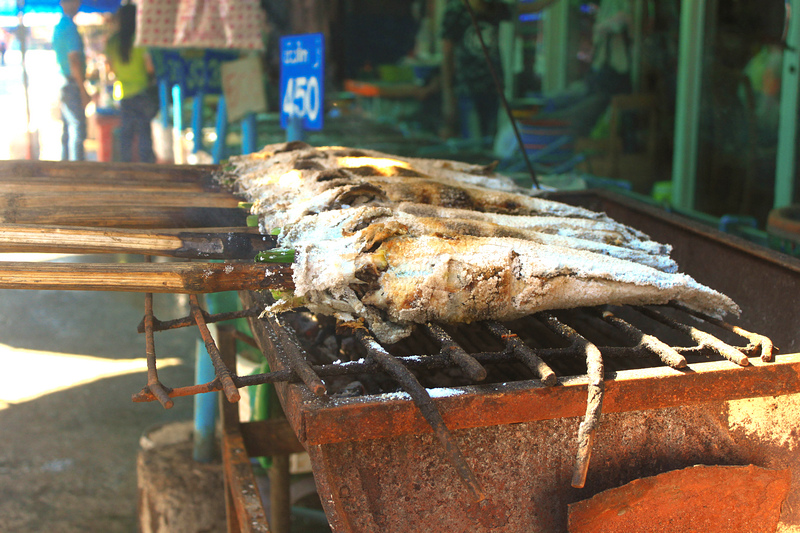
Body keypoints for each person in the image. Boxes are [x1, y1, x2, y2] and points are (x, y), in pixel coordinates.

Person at [439, 0, 556, 143]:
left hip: (492, 88)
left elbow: (530, 8)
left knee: (489, 141)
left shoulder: (493, 8)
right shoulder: (456, 12)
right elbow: (447, 55)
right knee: (473, 142)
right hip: (467, 88)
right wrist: (448, 95)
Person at [105, 3, 156, 163]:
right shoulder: (140, 41)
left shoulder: (112, 42)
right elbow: (150, 68)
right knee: (144, 135)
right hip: (142, 93)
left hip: (124, 94)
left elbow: (110, 69)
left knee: (126, 136)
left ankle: (124, 172)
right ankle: (148, 174)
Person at [53, 0, 89, 161]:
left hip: (64, 84)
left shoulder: (60, 26)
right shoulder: (69, 28)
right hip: (71, 84)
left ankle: (65, 172)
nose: (78, 4)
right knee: (77, 130)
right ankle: (76, 174)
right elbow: (74, 60)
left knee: (68, 131)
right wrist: (83, 91)